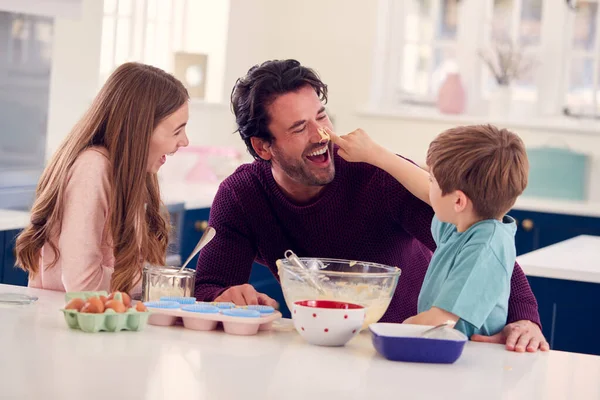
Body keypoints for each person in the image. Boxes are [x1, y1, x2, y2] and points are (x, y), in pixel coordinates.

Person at [194, 59, 549, 352]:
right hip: (324, 351)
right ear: (263, 147)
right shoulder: (242, 195)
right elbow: (210, 286)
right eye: (300, 127)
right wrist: (225, 295)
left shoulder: (375, 176)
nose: (321, 134)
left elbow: (478, 238)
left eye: (322, 116)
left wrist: (524, 317)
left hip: (414, 346)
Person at [330, 124, 527, 338]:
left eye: (432, 180)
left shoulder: (486, 246)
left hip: (469, 356)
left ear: (458, 201)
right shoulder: (461, 225)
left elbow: (442, 320)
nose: (428, 185)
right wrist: (373, 154)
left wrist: (392, 329)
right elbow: (424, 190)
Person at [15, 62, 190, 295]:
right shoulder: (93, 168)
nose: (184, 141)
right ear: (139, 129)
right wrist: (156, 281)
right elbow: (83, 283)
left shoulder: (130, 174)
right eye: (177, 131)